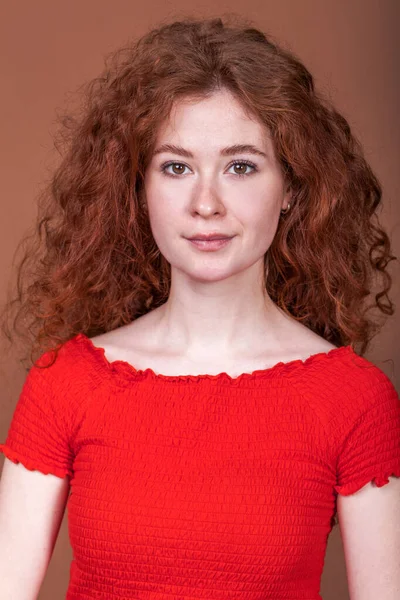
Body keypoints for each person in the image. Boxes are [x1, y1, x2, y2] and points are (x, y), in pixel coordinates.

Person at [0, 14, 399, 600]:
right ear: (138, 188)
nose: (205, 203)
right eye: (176, 166)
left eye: (240, 166)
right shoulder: (68, 383)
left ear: (291, 188)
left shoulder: (354, 399)